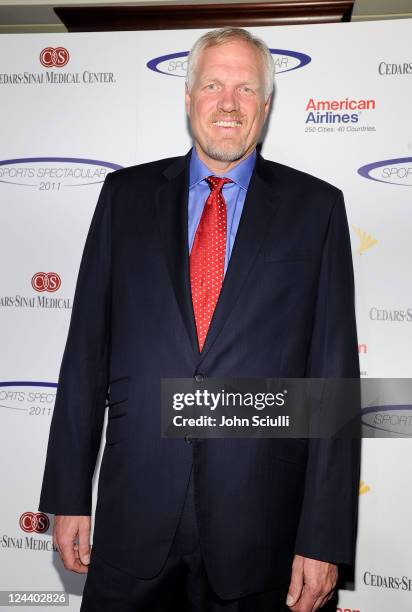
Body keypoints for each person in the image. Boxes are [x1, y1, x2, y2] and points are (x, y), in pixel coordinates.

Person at [39, 27, 360, 612]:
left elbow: (333, 384)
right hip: (133, 517)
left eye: (245, 89)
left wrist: (324, 537)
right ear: (188, 97)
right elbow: (84, 355)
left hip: (262, 527)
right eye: (213, 85)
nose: (229, 103)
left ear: (265, 106)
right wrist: (67, 495)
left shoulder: (317, 208)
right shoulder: (123, 197)